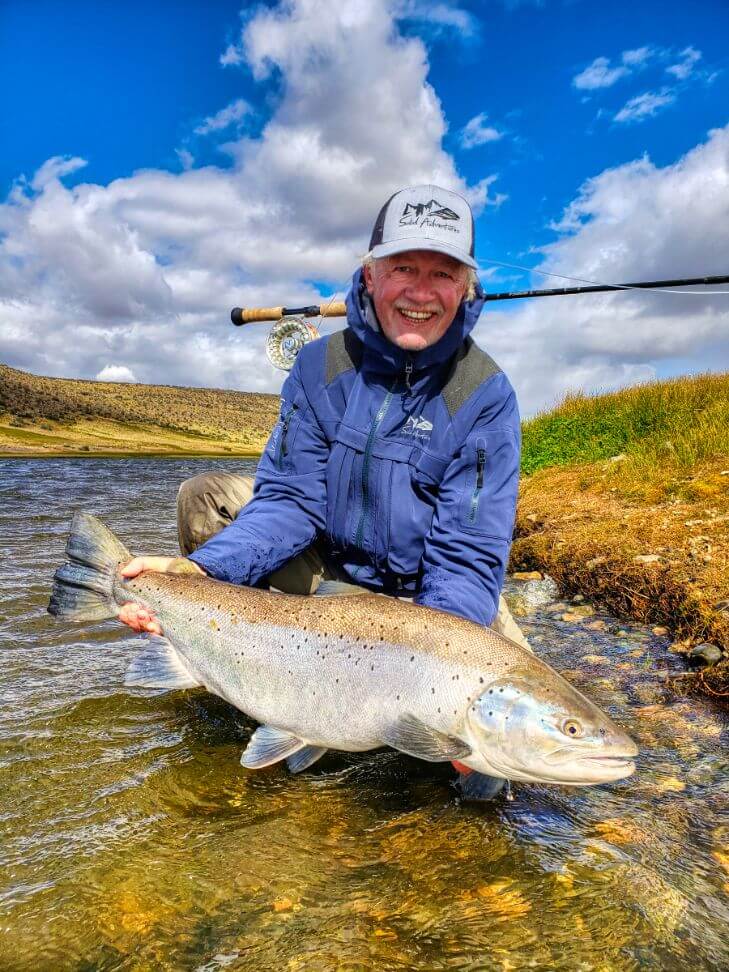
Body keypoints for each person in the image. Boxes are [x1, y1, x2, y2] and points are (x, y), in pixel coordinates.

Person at [120, 185, 529, 801]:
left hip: (428, 603)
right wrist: (197, 571)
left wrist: (431, 680)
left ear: (466, 287)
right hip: (327, 576)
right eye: (404, 268)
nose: (421, 292)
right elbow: (288, 500)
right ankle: (237, 672)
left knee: (494, 763)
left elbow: (468, 560)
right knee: (207, 496)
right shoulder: (318, 367)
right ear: (369, 274)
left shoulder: (485, 396)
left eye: (443, 273)